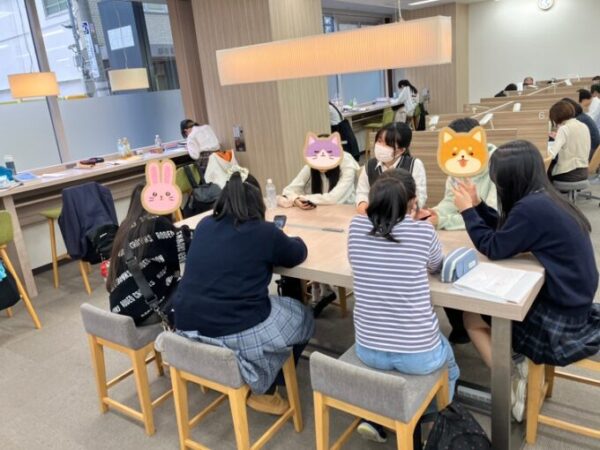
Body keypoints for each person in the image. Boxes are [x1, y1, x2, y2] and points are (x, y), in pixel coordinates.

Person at [452, 140, 600, 421]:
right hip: (575, 301)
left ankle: (509, 376)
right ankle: (515, 364)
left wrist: (467, 211)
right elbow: (508, 231)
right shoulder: (543, 198)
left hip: (562, 318)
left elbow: (494, 247)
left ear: (510, 179)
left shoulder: (531, 208)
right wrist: (478, 205)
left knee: (470, 316)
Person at [173, 169, 315, 415]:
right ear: (258, 203)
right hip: (233, 327)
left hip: (186, 324)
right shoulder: (264, 231)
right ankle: (267, 389)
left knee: (264, 305)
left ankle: (234, 370)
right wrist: (287, 237)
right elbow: (296, 253)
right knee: (304, 316)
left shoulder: (204, 225)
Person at [348, 170, 459, 443]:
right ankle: (431, 424)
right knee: (450, 362)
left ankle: (380, 416)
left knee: (388, 365)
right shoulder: (423, 231)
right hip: (418, 355)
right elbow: (436, 266)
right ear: (413, 202)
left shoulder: (356, 227)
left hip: (368, 350)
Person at [422, 118, 498, 344]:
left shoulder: (497, 165)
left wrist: (445, 220)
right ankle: (461, 325)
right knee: (445, 268)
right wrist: (435, 214)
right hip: (462, 234)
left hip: (491, 234)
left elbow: (491, 213)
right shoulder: (455, 165)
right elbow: (450, 201)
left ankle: (483, 325)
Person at [280, 133, 359, 316]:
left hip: (345, 218)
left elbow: (334, 198)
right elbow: (288, 189)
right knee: (308, 243)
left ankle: (323, 288)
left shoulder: (346, 163)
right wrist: (296, 199)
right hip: (318, 216)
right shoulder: (312, 162)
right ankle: (322, 288)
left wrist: (302, 197)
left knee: (324, 247)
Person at [107, 184, 192, 325]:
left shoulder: (125, 226)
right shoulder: (156, 224)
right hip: (147, 312)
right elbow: (188, 249)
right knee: (198, 282)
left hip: (121, 312)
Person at [356, 122, 427, 214]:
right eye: (379, 141)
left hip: (403, 217)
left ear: (401, 150)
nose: (381, 146)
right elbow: (362, 192)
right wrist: (363, 205)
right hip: (375, 217)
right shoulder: (370, 165)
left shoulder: (414, 165)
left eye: (388, 144)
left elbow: (420, 197)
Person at [548, 100, 590, 182]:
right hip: (584, 172)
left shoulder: (564, 129)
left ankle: (550, 190)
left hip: (568, 174)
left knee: (545, 173)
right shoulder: (584, 126)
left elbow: (552, 155)